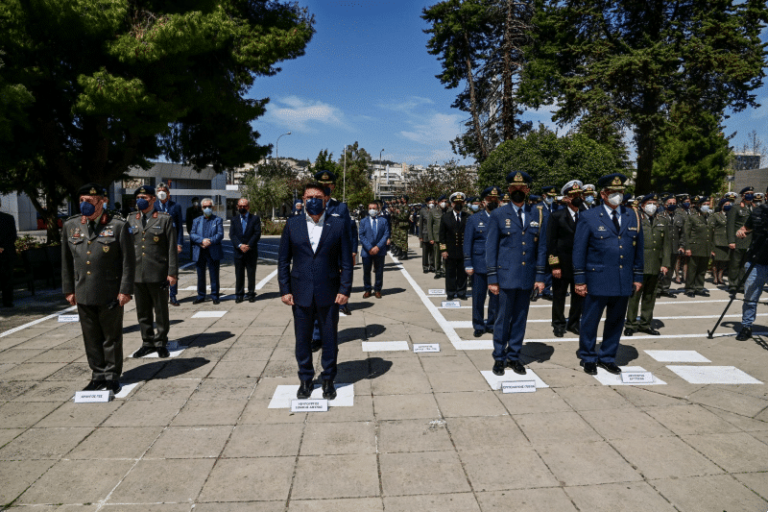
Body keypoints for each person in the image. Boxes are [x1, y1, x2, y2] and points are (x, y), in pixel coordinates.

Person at [279, 183, 353, 400]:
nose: (313, 200)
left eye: (318, 196)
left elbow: (347, 262)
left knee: (329, 339)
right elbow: (283, 260)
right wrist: (285, 289)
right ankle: (305, 379)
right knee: (302, 340)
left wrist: (345, 289)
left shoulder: (338, 225)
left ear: (325, 200)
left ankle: (329, 379)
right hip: (300, 291)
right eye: (309, 196)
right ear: (302, 198)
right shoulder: (293, 225)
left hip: (329, 292)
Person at [62, 183, 134, 393]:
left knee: (111, 337)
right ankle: (97, 375)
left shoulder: (118, 225)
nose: (85, 205)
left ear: (103, 202)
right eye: (82, 201)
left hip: (110, 291)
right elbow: (66, 261)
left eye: (91, 201)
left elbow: (128, 262)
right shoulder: (71, 225)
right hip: (83, 290)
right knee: (91, 337)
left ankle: (112, 376)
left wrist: (125, 290)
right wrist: (68, 289)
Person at [573, 173, 643, 376]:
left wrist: (638, 276)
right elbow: (579, 251)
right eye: (613, 193)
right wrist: (580, 279)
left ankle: (607, 357)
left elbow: (638, 248)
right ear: (603, 194)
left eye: (620, 192)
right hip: (597, 278)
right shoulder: (589, 216)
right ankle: (588, 356)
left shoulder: (632, 215)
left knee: (616, 320)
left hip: (623, 279)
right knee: (590, 320)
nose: (618, 196)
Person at [486, 171, 548, 376]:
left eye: (522, 188)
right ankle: (499, 358)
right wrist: (492, 279)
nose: (518, 191)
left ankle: (514, 356)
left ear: (528, 190)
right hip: (505, 277)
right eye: (514, 188)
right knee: (502, 319)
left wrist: (540, 278)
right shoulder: (498, 215)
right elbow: (491, 249)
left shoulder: (537, 214)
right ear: (509, 190)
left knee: (520, 319)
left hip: (527, 277)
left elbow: (541, 249)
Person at [128, 186, 179, 358]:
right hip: (137, 273)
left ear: (153, 200)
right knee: (142, 312)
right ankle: (147, 342)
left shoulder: (164, 219)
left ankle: (161, 341)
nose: (141, 200)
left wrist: (172, 273)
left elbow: (171, 247)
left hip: (158, 273)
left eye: (145, 197)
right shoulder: (130, 219)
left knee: (161, 310)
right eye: (138, 197)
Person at [624, 193, 670, 336]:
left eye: (655, 204)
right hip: (639, 264)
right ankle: (630, 324)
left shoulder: (662, 220)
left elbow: (666, 245)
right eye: (649, 203)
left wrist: (665, 264)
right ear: (643, 205)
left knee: (650, 296)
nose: (652, 206)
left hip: (655, 264)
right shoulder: (635, 219)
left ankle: (645, 323)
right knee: (634, 296)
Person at [547, 180, 586, 337]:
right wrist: (554, 265)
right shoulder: (557, 216)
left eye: (578, 194)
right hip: (562, 264)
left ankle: (574, 323)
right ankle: (558, 323)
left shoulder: (586, 215)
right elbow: (550, 243)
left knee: (579, 296)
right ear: (566, 198)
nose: (576, 197)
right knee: (559, 296)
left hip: (580, 265)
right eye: (572, 195)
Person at [315, 170, 355, 317]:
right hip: (317, 251)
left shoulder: (341, 207)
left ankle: (342, 304)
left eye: (328, 184)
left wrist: (352, 250)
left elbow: (349, 230)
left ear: (333, 187)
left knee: (341, 277)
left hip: (337, 251)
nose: (325, 186)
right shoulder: (310, 205)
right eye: (322, 184)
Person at [464, 186, 501, 337]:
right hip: (479, 264)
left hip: (498, 265)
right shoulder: (474, 219)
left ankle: (491, 323)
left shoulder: (503, 218)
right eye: (490, 200)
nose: (493, 202)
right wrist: (468, 263)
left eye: (495, 200)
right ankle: (478, 324)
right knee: (478, 297)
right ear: (484, 202)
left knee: (495, 298)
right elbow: (467, 242)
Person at [735, 192, 768, 340]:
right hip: (757, 261)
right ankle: (746, 326)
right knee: (750, 296)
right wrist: (741, 231)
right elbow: (746, 228)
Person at [153, 183, 183, 306]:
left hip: (172, 241)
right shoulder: (153, 206)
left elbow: (180, 226)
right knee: (158, 269)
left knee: (173, 269)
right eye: (159, 190)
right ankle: (160, 295)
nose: (161, 192)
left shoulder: (175, 206)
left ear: (168, 193)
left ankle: (173, 295)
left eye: (163, 190)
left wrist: (179, 243)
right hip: (157, 242)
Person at [190, 198, 223, 304]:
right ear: (201, 208)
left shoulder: (217, 220)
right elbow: (192, 234)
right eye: (205, 207)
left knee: (214, 274)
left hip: (212, 250)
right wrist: (202, 241)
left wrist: (210, 241)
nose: (207, 208)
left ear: (212, 207)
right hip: (200, 250)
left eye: (209, 206)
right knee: (200, 275)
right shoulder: (196, 220)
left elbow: (220, 234)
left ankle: (215, 295)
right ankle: (201, 295)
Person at [230, 198, 262, 303]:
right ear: (237, 207)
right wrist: (239, 245)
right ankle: (239, 294)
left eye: (244, 206)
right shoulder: (234, 220)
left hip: (251, 251)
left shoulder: (255, 219)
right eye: (240, 206)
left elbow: (257, 233)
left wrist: (248, 245)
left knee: (251, 274)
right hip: (238, 251)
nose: (242, 208)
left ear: (248, 207)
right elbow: (232, 234)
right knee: (239, 274)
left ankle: (251, 293)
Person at [440, 192, 469, 300]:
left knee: (462, 273)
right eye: (456, 202)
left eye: (460, 202)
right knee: (450, 273)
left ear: (463, 203)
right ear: (452, 204)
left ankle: (461, 292)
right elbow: (441, 236)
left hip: (463, 250)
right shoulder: (446, 217)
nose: (458, 204)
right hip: (450, 250)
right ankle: (451, 292)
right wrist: (443, 250)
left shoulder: (467, 217)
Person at [656, 194, 685, 298]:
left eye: (674, 203)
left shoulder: (679, 217)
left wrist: (681, 246)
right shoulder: (659, 216)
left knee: (671, 270)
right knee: (661, 269)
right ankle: (658, 289)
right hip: (663, 248)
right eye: (670, 203)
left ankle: (665, 289)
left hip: (674, 247)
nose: (672, 205)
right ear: (665, 204)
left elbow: (682, 234)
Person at [683, 196, 713, 298]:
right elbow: (686, 234)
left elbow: (711, 233)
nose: (706, 206)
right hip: (694, 247)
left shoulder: (710, 217)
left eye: (708, 204)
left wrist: (712, 249)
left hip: (706, 247)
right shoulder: (693, 217)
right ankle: (689, 288)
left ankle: (699, 288)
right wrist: (687, 247)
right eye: (704, 205)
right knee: (692, 269)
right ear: (699, 206)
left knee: (702, 269)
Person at [727, 186, 754, 295]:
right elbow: (730, 225)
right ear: (743, 196)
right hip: (738, 241)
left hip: (750, 241)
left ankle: (741, 285)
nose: (750, 195)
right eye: (748, 193)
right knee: (735, 264)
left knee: (744, 265)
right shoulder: (736, 208)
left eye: (752, 193)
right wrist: (731, 241)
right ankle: (733, 285)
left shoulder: (753, 208)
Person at [359, 201, 389, 298]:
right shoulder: (363, 221)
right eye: (370, 208)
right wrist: (369, 248)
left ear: (378, 209)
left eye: (374, 208)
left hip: (379, 250)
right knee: (366, 271)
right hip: (367, 251)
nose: (372, 210)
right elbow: (361, 235)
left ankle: (377, 289)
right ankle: (367, 289)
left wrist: (377, 247)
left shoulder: (383, 221)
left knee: (379, 271)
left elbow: (386, 235)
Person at [711, 198, 732, 286]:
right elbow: (711, 229)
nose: (727, 206)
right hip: (717, 241)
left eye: (729, 204)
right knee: (716, 261)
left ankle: (720, 276)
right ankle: (715, 277)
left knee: (724, 261)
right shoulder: (716, 215)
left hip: (727, 242)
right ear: (721, 206)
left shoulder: (731, 215)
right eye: (725, 204)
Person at [0, 199, 17, 308]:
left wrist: (2, 247)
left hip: (6, 254)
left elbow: (13, 235)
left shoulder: (8, 218)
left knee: (7, 278)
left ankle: (8, 301)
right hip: (5, 252)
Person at [428, 195, 448, 279]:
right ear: (438, 202)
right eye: (442, 201)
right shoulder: (433, 211)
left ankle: (445, 271)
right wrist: (431, 238)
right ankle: (438, 271)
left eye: (445, 201)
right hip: (437, 238)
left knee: (446, 256)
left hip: (446, 238)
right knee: (437, 255)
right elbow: (429, 226)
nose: (444, 203)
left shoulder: (449, 211)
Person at [419, 197, 436, 273]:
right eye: (430, 202)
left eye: (433, 202)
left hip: (434, 234)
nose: (432, 203)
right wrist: (420, 236)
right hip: (425, 233)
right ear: (427, 203)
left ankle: (432, 266)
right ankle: (425, 266)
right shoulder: (423, 211)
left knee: (432, 251)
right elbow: (421, 224)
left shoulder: (437, 210)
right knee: (425, 252)